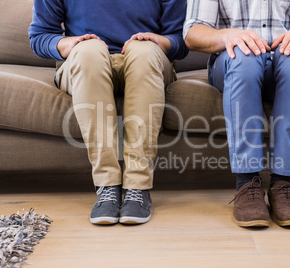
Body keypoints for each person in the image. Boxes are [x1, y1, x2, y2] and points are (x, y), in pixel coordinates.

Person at [184, 0, 290, 227]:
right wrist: (227, 36)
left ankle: (284, 184)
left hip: (289, 60)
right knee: (244, 56)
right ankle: (247, 183)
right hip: (233, 62)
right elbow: (193, 32)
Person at [29, 0, 188, 225]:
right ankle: (107, 186)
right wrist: (69, 44)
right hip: (87, 63)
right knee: (90, 49)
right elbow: (40, 37)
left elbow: (182, 40)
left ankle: (137, 187)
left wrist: (159, 41)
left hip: (146, 62)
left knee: (143, 49)